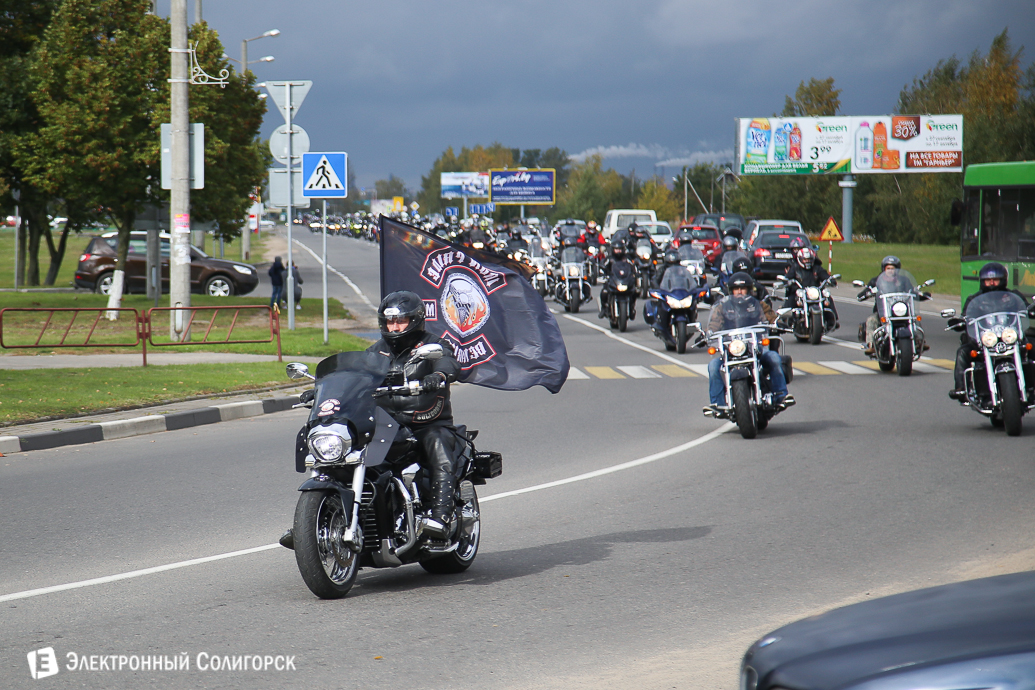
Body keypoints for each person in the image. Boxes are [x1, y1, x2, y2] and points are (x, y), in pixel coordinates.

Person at [367, 291, 462, 536]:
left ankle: (441, 518)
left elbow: (448, 361)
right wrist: (323, 389)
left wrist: (438, 375)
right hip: (388, 426)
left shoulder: (434, 345)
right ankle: (323, 515)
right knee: (349, 453)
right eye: (390, 321)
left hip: (428, 423)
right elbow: (355, 375)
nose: (395, 327)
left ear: (415, 320)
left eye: (401, 321)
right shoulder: (375, 352)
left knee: (439, 447)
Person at [705, 272, 793, 415]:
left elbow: (770, 317)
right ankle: (717, 404)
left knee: (773, 358)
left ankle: (780, 396)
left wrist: (778, 323)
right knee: (713, 366)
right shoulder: (723, 307)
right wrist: (708, 332)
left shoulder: (758, 305)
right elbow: (714, 323)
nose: (739, 292)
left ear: (749, 290)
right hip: (732, 349)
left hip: (755, 347)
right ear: (731, 291)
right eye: (736, 289)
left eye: (743, 288)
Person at [949, 262, 1030, 400]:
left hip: (1009, 337)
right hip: (986, 339)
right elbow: (965, 316)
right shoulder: (974, 300)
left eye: (995, 279)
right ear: (982, 281)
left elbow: (1026, 308)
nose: (992, 283)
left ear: (1003, 280)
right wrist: (959, 322)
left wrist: (1030, 311)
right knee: (962, 352)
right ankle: (961, 389)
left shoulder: (1013, 296)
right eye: (988, 280)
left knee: (1031, 345)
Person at [782, 246, 838, 326]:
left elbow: (825, 275)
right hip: (799, 292)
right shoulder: (795, 268)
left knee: (827, 298)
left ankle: (832, 320)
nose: (807, 261)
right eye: (805, 259)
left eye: (809, 259)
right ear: (800, 259)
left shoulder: (817, 268)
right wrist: (787, 281)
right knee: (790, 300)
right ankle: (785, 319)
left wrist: (830, 280)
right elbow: (788, 277)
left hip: (815, 292)